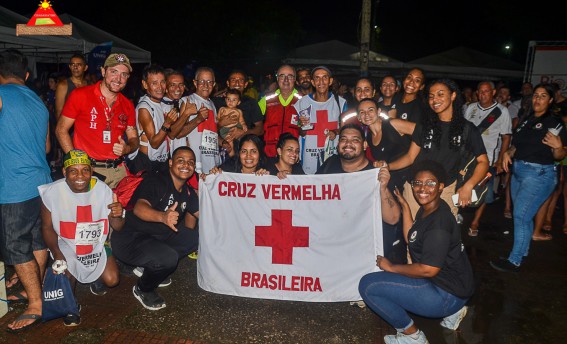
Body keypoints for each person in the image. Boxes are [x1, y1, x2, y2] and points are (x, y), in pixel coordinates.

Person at [359, 160, 474, 344]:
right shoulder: (432, 208)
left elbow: (429, 269)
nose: (422, 188)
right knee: (390, 276)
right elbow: (411, 238)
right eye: (417, 183)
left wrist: (391, 267)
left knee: (368, 286)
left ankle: (412, 336)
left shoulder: (439, 224)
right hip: (456, 288)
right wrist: (405, 207)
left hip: (445, 295)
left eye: (430, 183)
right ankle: (455, 312)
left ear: (441, 186)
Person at [39, 150, 124, 326]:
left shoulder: (102, 189)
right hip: (67, 242)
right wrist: (56, 252)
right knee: (67, 270)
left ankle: (94, 276)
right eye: (73, 171)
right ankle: (71, 307)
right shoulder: (53, 192)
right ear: (64, 172)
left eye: (85, 170)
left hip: (96, 243)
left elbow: (118, 226)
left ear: (91, 171)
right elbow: (47, 227)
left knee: (112, 280)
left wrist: (118, 214)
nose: (80, 176)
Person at [383, 79, 489, 219]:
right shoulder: (425, 126)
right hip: (416, 189)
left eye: (440, 94)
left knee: (441, 237)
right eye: (431, 96)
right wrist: (387, 166)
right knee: (412, 236)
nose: (435, 100)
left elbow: (483, 162)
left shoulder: (467, 129)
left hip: (445, 191)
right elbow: (410, 157)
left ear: (452, 96)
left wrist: (468, 186)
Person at [0, 48, 52, 333]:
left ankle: (36, 305)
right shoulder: (39, 102)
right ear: (27, 74)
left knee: (15, 245)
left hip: (14, 186)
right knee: (36, 240)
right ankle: (35, 291)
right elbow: (46, 148)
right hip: (41, 181)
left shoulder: (1, 96)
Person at [111, 147, 200, 310]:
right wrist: (163, 217)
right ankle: (143, 288)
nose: (185, 165)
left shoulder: (187, 191)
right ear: (171, 163)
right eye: (180, 161)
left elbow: (203, 215)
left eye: (190, 162)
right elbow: (139, 208)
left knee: (196, 238)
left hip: (156, 237)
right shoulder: (156, 181)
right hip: (131, 239)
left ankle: (149, 266)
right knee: (168, 259)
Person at [491, 83, 567, 273]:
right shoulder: (527, 119)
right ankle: (522, 253)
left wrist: (558, 147)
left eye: (542, 96)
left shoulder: (554, 122)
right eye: (535, 95)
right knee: (523, 216)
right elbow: (520, 144)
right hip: (518, 172)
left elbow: (559, 155)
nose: (537, 99)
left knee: (521, 216)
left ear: (550, 100)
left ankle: (514, 261)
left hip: (539, 174)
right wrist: (509, 151)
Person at [316, 124, 406, 264]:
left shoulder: (376, 173)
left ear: (365, 145)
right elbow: (307, 195)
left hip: (367, 255)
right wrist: (282, 176)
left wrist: (382, 188)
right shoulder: (329, 165)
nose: (348, 144)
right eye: (344, 139)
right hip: (334, 250)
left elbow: (393, 218)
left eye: (355, 140)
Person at [56, 53, 139, 188]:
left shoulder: (127, 105)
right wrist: (76, 162)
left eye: (124, 74)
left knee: (118, 209)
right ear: (103, 71)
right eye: (114, 72)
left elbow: (134, 139)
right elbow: (61, 130)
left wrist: (127, 148)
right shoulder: (80, 95)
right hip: (89, 170)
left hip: (118, 172)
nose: (118, 79)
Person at [464, 81, 512, 237]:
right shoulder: (470, 108)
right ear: (477, 93)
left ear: (493, 93)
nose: (483, 94)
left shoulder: (501, 111)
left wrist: (499, 160)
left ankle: (475, 221)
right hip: (467, 157)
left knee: (484, 193)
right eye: (480, 91)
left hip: (487, 159)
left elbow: (506, 137)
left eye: (486, 91)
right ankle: (457, 212)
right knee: (462, 185)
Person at [293, 66, 347, 174]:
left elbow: (346, 129)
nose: (321, 82)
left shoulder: (341, 103)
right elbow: (297, 131)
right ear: (312, 82)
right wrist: (302, 126)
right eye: (317, 78)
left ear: (330, 81)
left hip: (333, 157)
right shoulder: (301, 103)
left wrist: (335, 132)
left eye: (324, 78)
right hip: (309, 157)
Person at [129, 64, 179, 174]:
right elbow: (154, 143)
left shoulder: (159, 104)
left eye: (162, 82)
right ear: (145, 84)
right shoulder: (144, 108)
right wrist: (167, 123)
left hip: (161, 161)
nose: (160, 87)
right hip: (146, 164)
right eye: (154, 83)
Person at [170, 67, 218, 175]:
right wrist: (198, 119)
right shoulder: (187, 101)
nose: (206, 85)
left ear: (214, 85)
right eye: (202, 81)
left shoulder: (212, 105)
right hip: (193, 165)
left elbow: (211, 133)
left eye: (209, 82)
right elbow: (177, 134)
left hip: (210, 163)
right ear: (195, 83)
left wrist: (224, 142)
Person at [358, 98, 410, 192]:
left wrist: (413, 156)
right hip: (394, 183)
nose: (366, 115)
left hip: (410, 180)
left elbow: (422, 133)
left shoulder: (392, 124)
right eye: (362, 112)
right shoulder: (369, 137)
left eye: (370, 110)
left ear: (378, 111)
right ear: (359, 117)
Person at [258, 64, 302, 158]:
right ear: (277, 79)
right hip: (270, 155)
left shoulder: (303, 101)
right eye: (282, 76)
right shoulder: (266, 100)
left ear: (294, 79)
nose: (286, 80)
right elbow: (256, 126)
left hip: (293, 156)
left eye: (290, 76)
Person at [213, 69, 264, 140]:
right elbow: (208, 128)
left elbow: (260, 129)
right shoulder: (217, 102)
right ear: (228, 83)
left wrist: (244, 132)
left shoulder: (251, 103)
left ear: (245, 84)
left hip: (243, 148)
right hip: (221, 147)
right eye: (233, 80)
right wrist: (220, 124)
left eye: (241, 80)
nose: (237, 83)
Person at [55, 52, 89, 121]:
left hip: (85, 127)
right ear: (70, 67)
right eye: (73, 64)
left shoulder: (90, 85)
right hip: (70, 129)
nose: (75, 67)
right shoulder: (63, 85)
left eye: (79, 65)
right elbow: (58, 112)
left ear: (85, 68)